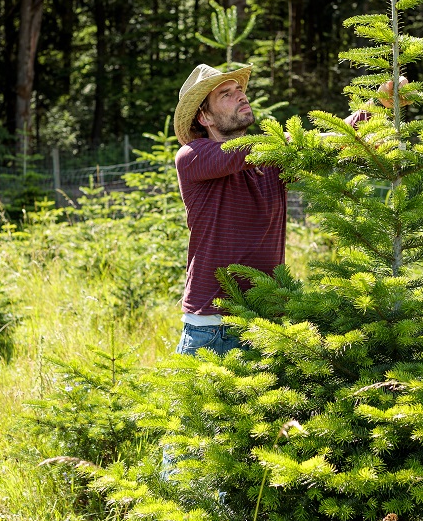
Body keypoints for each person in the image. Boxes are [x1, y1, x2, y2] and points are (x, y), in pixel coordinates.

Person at [171, 63, 406, 356]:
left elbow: (315, 147)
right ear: (204, 116)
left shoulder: (271, 162)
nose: (241, 96)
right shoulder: (193, 156)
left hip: (267, 325)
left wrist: (380, 104)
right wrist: (332, 139)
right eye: (226, 94)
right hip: (213, 330)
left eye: (240, 90)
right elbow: (247, 151)